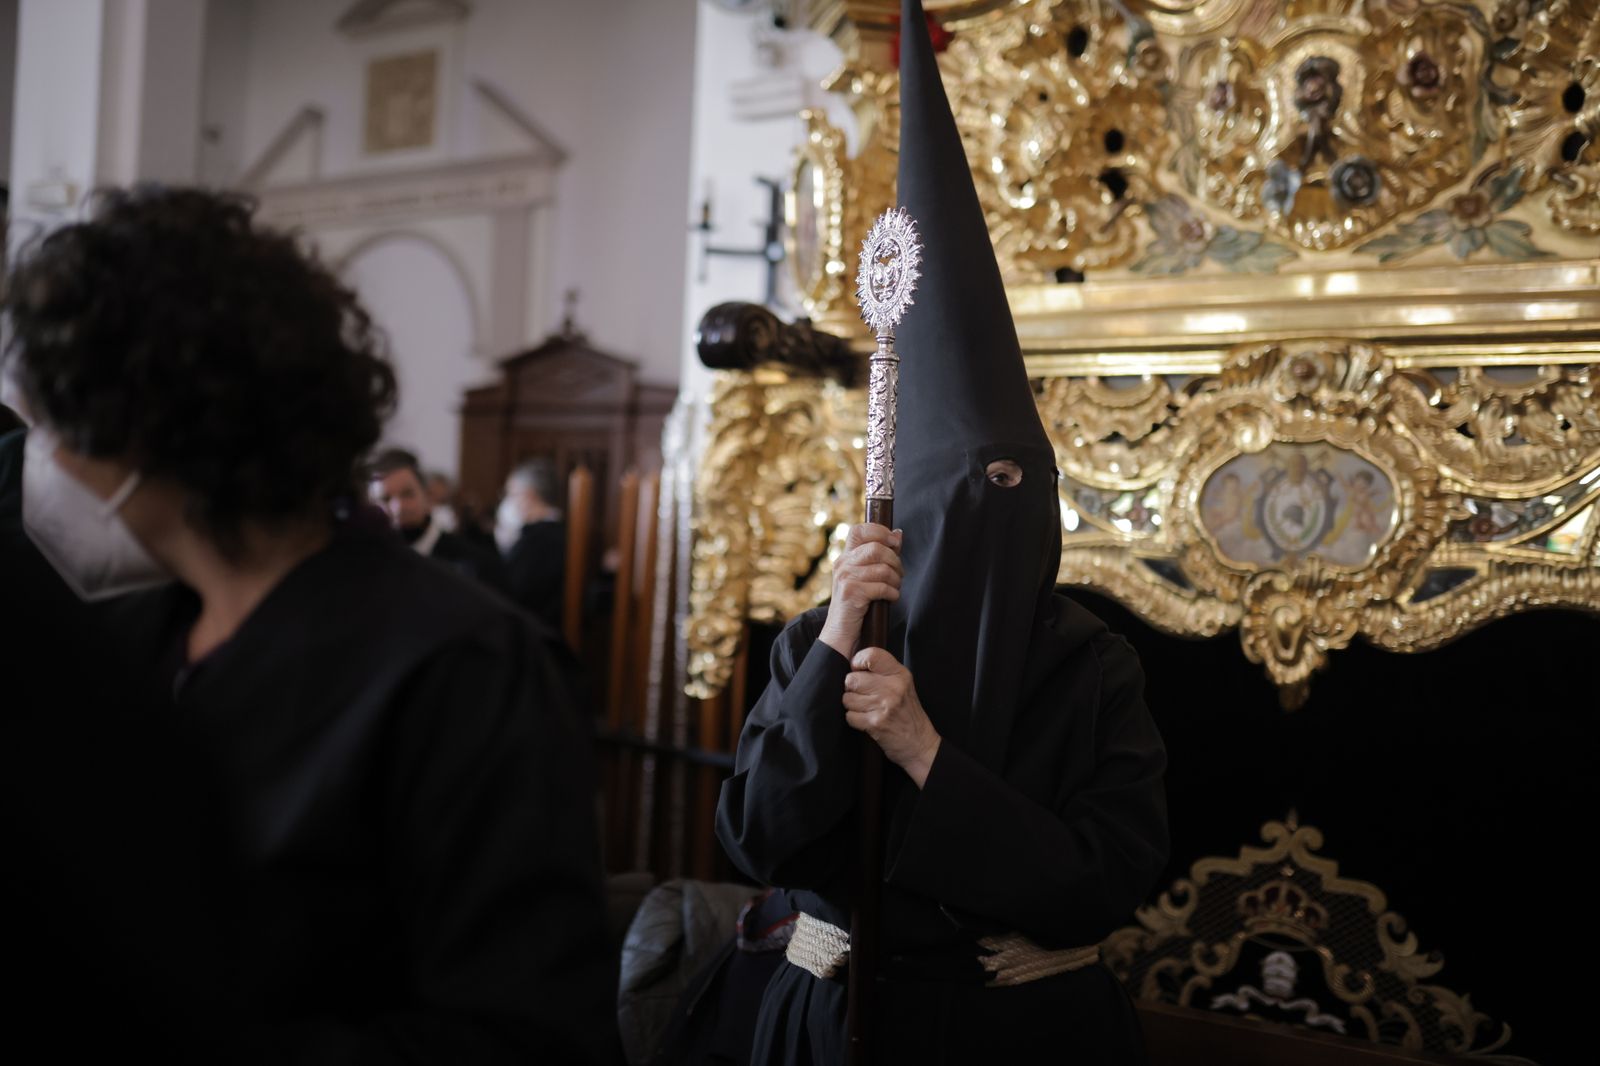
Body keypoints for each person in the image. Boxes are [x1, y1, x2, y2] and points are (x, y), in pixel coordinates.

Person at [2, 185, 618, 1064]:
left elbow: (525, 1032)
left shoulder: (459, 662)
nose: (45, 460)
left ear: (146, 428)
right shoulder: (128, 638)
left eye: (54, 425)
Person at [714, 3, 1169, 1062]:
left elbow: (1105, 877)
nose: (990, 508)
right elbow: (753, 838)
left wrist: (922, 748)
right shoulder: (822, 641)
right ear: (910, 508)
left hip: (1020, 1039)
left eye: (1014, 485)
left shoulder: (1093, 666)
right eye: (967, 487)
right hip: (836, 1025)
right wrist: (832, 652)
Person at [368, 446, 511, 594]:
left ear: (427, 496)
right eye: (385, 499)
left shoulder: (472, 563)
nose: (398, 507)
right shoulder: (364, 560)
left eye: (408, 494)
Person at [500, 456, 568, 630]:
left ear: (528, 495)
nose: (507, 502)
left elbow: (512, 592)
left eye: (511, 494)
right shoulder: (559, 531)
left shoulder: (539, 540)